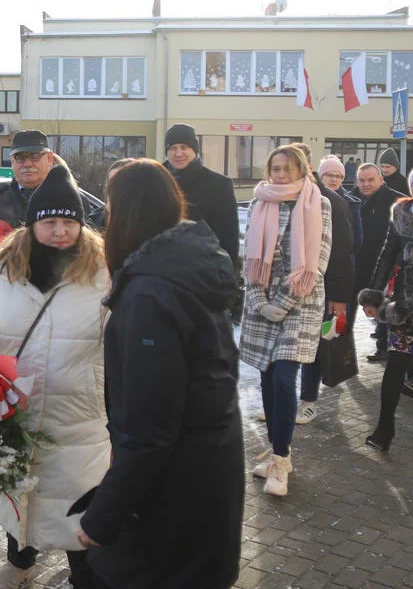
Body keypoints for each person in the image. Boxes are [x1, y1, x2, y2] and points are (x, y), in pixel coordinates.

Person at [76, 159, 243, 589]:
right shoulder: (187, 265)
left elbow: (149, 429)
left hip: (172, 500)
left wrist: (103, 517)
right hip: (208, 477)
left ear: (128, 212)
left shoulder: (151, 293)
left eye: (111, 206)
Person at [0, 164, 110, 589]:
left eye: (69, 222)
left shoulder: (101, 270)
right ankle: (20, 561)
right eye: (50, 222)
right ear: (33, 222)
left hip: (78, 410)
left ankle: (85, 575)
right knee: (18, 489)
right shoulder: (3, 262)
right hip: (12, 405)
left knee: (79, 501)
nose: (60, 232)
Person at [240, 145, 332, 497]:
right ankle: (280, 450)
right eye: (275, 168)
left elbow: (318, 258)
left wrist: (284, 301)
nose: (279, 175)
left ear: (301, 171)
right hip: (262, 304)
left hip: (301, 303)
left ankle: (280, 463)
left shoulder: (317, 203)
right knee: (265, 377)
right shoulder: (259, 201)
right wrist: (261, 300)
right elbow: (249, 254)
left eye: (287, 169)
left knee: (283, 376)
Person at [359, 163, 413, 451]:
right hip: (403, 306)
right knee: (394, 367)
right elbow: (387, 255)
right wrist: (374, 295)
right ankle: (384, 429)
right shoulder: (401, 214)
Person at [290, 147, 355, 425]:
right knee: (291, 343)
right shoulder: (285, 197)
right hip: (291, 289)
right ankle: (282, 398)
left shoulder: (332, 201)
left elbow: (345, 251)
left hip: (326, 290)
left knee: (322, 343)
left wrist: (340, 297)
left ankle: (309, 400)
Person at [0, 130, 56, 271]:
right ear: (12, 161)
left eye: (35, 156)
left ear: (49, 159)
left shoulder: (67, 200)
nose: (28, 164)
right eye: (20, 157)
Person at [161, 123, 240, 270]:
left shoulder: (219, 185)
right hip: (160, 270)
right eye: (173, 148)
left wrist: (227, 278)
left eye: (184, 147)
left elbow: (229, 239)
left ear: (195, 150)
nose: (179, 153)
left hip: (204, 272)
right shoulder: (156, 181)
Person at [356, 163, 406, 362]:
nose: (366, 184)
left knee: (386, 305)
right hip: (362, 263)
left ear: (380, 180)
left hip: (389, 265)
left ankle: (386, 347)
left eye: (370, 180)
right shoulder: (356, 197)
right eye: (362, 180)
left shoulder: (395, 200)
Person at [86, 157, 136, 229]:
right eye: (111, 182)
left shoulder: (151, 226)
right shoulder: (93, 223)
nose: (114, 188)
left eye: (121, 182)